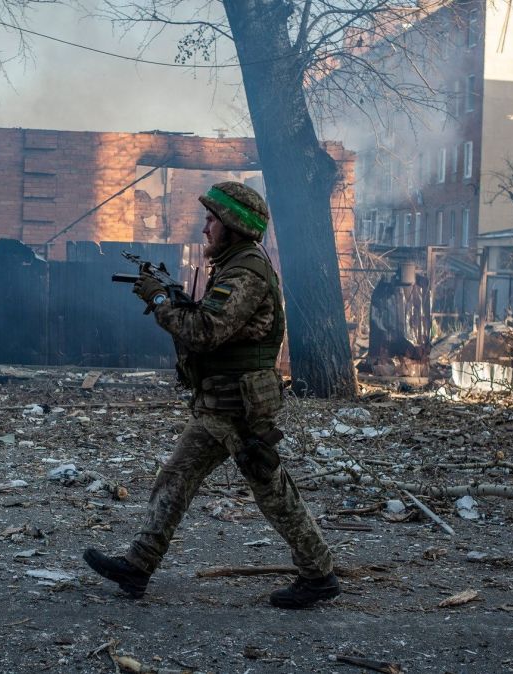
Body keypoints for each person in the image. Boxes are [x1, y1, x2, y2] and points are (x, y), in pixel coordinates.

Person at [82, 182, 339, 609]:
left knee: (270, 488)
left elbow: (205, 332)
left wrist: (162, 301)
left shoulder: (245, 272)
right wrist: (178, 300)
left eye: (211, 220)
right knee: (176, 478)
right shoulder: (233, 265)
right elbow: (214, 322)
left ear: (233, 226)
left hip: (239, 407)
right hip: (217, 403)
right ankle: (138, 566)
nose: (204, 228)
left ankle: (319, 574)